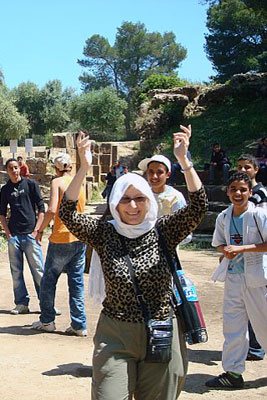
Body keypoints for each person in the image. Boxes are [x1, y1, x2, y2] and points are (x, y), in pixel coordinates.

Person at [59, 126, 208, 400]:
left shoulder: (165, 229)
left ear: (149, 201)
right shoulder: (104, 233)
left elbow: (199, 205)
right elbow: (66, 213)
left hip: (162, 331)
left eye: (139, 198)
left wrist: (184, 160)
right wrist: (84, 167)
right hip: (116, 334)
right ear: (115, 203)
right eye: (125, 199)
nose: (133, 206)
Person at [205, 172, 267, 389]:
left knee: (264, 325)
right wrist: (226, 251)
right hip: (233, 278)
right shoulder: (224, 217)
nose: (238, 193)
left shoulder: (259, 216)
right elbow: (218, 243)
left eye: (243, 189)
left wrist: (243, 248)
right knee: (233, 327)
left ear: (250, 192)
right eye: (233, 189)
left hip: (258, 279)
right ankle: (232, 373)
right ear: (227, 192)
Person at [32, 153, 87, 336]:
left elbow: (52, 209)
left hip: (61, 237)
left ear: (56, 168)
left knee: (49, 281)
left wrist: (39, 229)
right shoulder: (80, 182)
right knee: (76, 282)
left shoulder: (57, 182)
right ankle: (79, 325)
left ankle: (47, 320)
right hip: (79, 236)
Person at [0, 158, 45, 314]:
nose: (14, 171)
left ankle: (46, 304)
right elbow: (2, 214)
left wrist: (37, 231)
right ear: (7, 171)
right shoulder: (5, 190)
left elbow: (41, 209)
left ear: (20, 168)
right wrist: (8, 234)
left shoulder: (31, 184)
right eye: (11, 168)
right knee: (16, 271)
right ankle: (21, 303)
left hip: (30, 234)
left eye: (16, 167)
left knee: (39, 271)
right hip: (15, 236)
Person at [237, 154, 267, 361]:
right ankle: (254, 346)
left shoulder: (260, 194)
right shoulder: (240, 195)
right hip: (246, 255)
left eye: (247, 167)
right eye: (239, 167)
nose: (243, 170)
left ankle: (256, 348)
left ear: (255, 169)